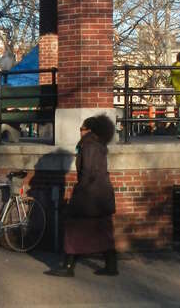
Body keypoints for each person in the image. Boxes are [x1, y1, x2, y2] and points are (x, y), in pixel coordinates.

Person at [50, 114, 117, 278]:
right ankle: (111, 265)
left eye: (82, 128)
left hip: (90, 195)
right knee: (102, 229)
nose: (80, 131)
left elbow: (88, 172)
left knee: (73, 229)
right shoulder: (98, 144)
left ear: (89, 130)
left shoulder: (89, 145)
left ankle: (68, 266)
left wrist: (80, 192)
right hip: (101, 195)